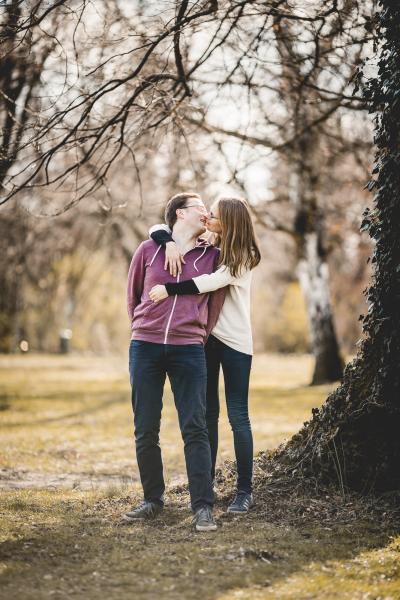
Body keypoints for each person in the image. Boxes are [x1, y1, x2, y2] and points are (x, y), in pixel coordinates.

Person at [149, 196, 261, 515]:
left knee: (238, 416)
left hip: (237, 343)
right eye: (207, 214)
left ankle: (244, 491)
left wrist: (170, 290)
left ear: (230, 221)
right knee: (207, 413)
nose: (208, 218)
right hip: (208, 341)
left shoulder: (244, 255)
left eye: (214, 215)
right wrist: (168, 242)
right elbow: (160, 225)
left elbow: (211, 282)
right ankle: (205, 488)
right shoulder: (211, 245)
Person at [125, 192, 225, 532]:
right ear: (181, 214)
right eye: (201, 208)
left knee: (195, 427)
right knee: (145, 428)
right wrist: (142, 328)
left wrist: (197, 334)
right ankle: (152, 499)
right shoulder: (148, 250)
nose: (207, 213)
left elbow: (214, 306)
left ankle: (202, 507)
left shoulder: (213, 256)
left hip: (188, 349)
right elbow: (133, 296)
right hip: (145, 347)